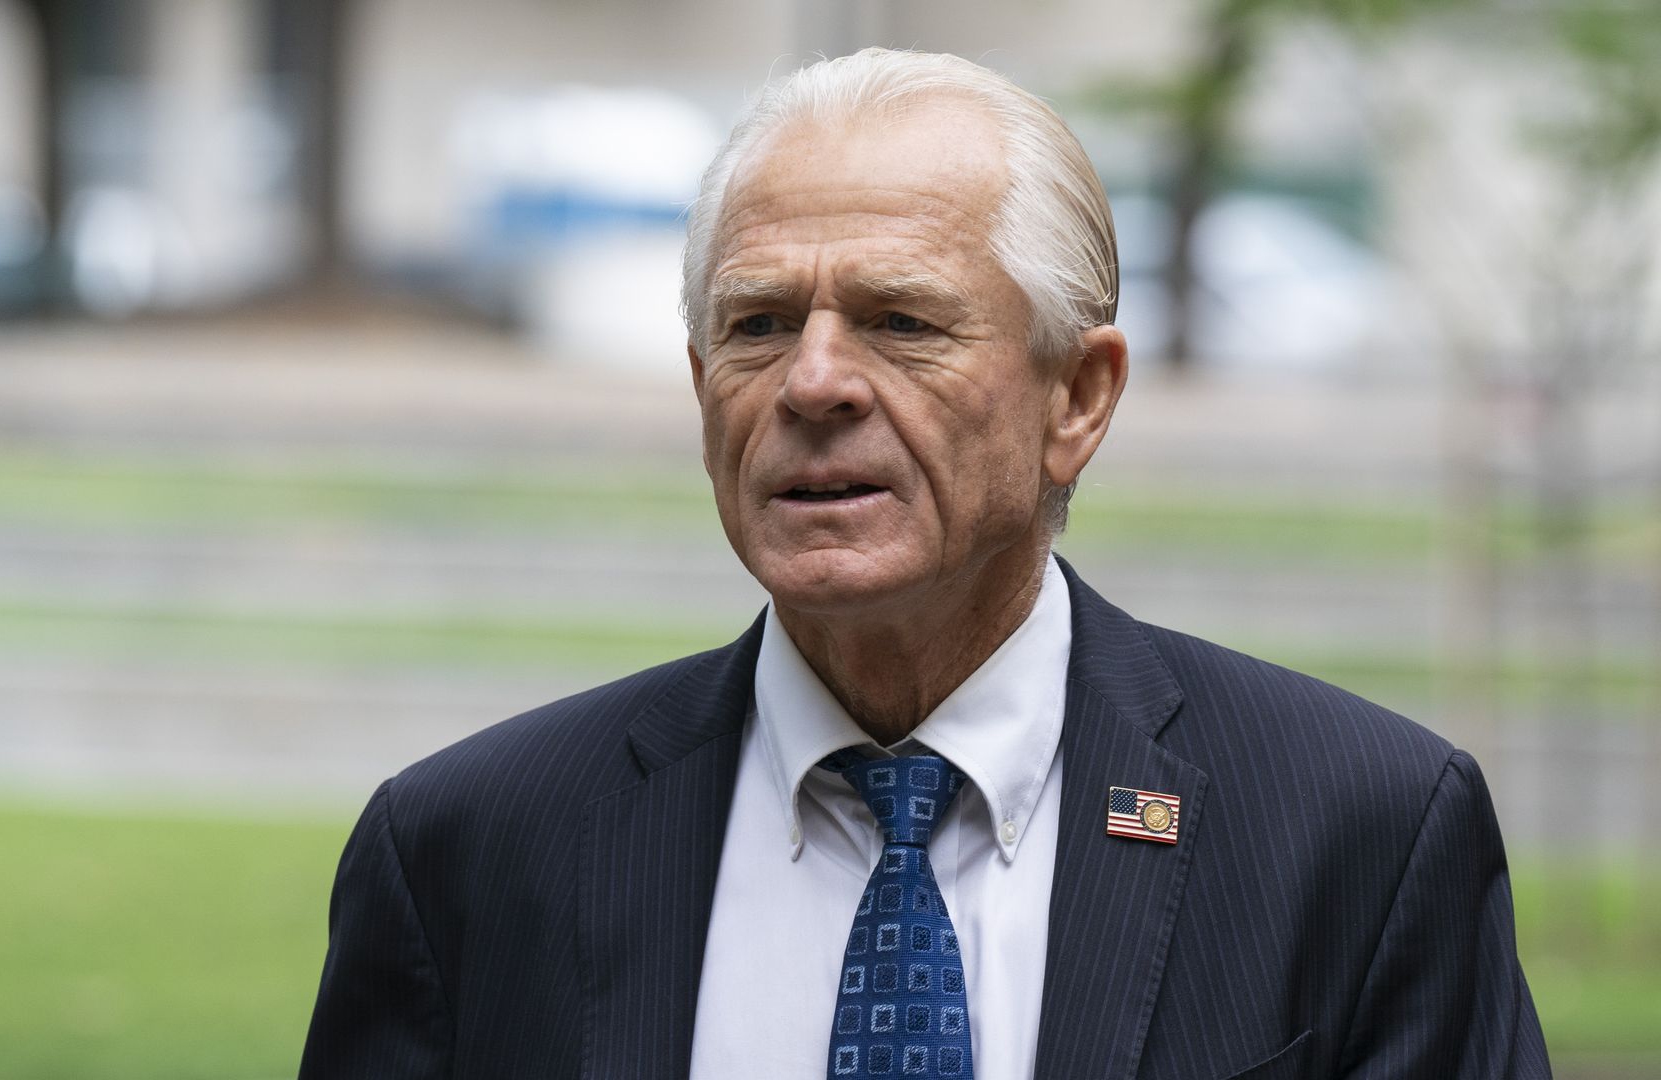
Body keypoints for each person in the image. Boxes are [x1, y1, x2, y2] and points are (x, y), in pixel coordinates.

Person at [299, 49, 1549, 1080]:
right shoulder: (468, 851)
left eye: (901, 320)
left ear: (1079, 396)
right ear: (700, 391)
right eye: (758, 325)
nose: (815, 383)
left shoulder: (1361, 834)